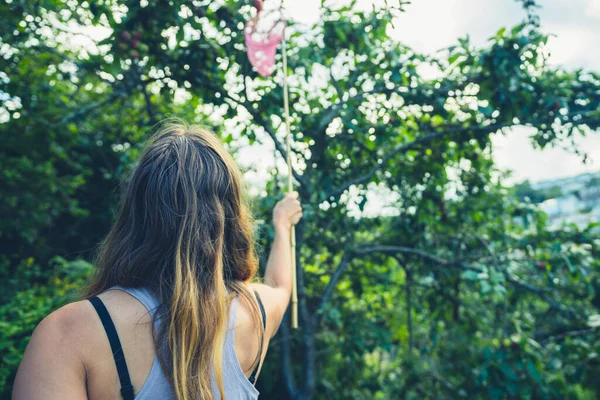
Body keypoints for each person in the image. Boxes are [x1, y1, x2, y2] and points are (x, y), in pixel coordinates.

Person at [12, 120, 303, 400]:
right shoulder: (257, 312)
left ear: (135, 214)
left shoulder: (66, 334)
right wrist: (282, 225)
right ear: (228, 219)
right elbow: (280, 286)